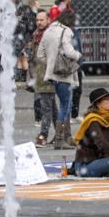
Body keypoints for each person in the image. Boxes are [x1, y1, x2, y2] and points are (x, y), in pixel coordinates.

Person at [38, 9, 82, 149]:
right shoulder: (66, 31)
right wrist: (79, 56)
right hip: (64, 75)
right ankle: (60, 138)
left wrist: (51, 64)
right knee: (65, 105)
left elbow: (40, 54)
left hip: (52, 75)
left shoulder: (49, 30)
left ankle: (67, 137)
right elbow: (69, 51)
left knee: (65, 105)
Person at [71, 88, 109, 177]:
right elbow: (101, 144)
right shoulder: (93, 120)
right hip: (85, 166)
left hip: (100, 161)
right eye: (107, 99)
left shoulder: (108, 120)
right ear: (98, 104)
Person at [29, 10, 56, 147]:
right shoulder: (36, 35)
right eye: (37, 20)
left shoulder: (50, 35)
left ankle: (43, 136)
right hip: (40, 75)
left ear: (48, 20)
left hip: (48, 75)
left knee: (46, 108)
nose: (39, 22)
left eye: (42, 20)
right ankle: (60, 135)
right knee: (52, 107)